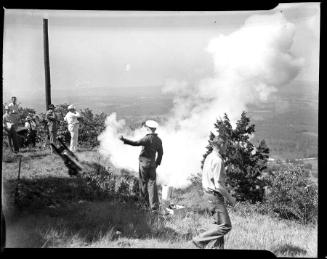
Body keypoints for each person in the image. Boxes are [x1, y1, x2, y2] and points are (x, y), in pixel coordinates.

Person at [192, 136, 236, 249]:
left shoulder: (209, 157)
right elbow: (219, 185)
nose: (227, 147)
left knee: (218, 225)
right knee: (226, 226)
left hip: (208, 194)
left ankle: (218, 248)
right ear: (221, 145)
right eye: (226, 145)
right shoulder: (218, 160)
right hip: (214, 196)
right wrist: (230, 199)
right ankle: (199, 240)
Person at [119, 120, 163, 212]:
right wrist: (157, 163)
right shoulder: (158, 140)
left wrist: (124, 140)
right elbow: (161, 153)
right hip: (152, 165)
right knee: (152, 185)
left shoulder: (147, 139)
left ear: (148, 128)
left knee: (143, 183)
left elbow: (136, 143)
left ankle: (144, 204)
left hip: (144, 164)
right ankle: (154, 207)